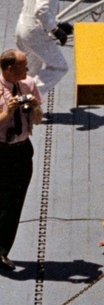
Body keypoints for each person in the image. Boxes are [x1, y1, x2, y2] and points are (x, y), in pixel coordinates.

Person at [0, 48, 43, 269]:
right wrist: (6, 114)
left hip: (22, 150)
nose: (27, 70)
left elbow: (37, 120)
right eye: (23, 67)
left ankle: (2, 251)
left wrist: (35, 108)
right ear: (9, 68)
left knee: (15, 203)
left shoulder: (28, 85)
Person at [14, 0, 71, 95]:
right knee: (59, 67)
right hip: (35, 34)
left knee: (31, 70)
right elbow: (41, 10)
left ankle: (13, 98)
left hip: (22, 28)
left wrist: (57, 22)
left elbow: (33, 7)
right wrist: (55, 30)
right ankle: (27, 96)